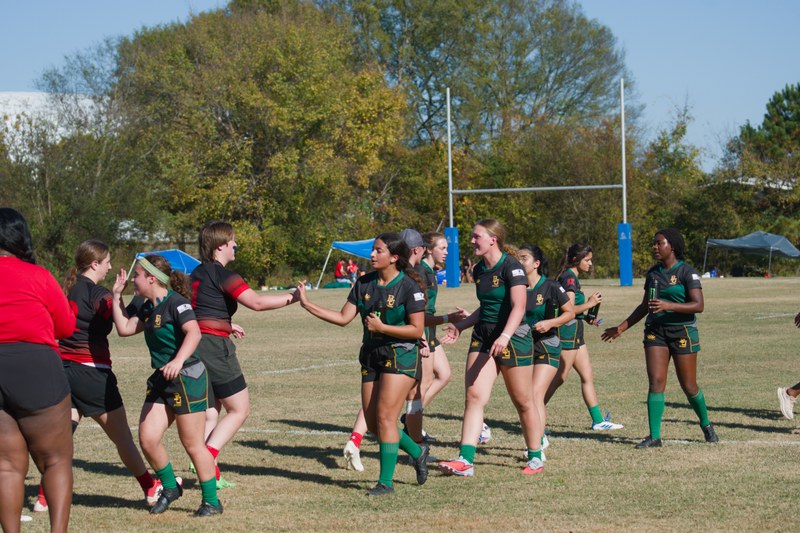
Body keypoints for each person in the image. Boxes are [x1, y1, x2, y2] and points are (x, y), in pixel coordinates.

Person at [295, 232, 429, 496]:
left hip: (400, 354)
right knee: (375, 422)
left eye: (378, 251)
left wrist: (383, 327)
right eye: (373, 250)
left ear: (394, 257)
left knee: (386, 417)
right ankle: (418, 451)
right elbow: (344, 318)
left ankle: (385, 483)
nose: (372, 255)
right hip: (371, 354)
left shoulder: (409, 287)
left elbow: (416, 331)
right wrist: (308, 304)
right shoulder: (364, 283)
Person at [33, 240, 162, 514]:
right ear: (94, 264)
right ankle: (150, 487)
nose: (110, 267)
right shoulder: (98, 293)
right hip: (92, 374)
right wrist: (146, 303)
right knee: (123, 439)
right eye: (107, 262)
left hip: (62, 371)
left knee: (61, 439)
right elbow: (124, 323)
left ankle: (43, 497)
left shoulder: (66, 287)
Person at [111, 255, 222, 516]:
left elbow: (194, 332)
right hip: (162, 380)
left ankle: (211, 501)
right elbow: (125, 328)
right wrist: (116, 297)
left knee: (193, 444)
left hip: (187, 378)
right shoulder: (147, 306)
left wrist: (178, 360)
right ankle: (171, 488)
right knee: (147, 439)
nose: (133, 280)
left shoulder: (177, 303)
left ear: (152, 278)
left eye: (136, 275)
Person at [191, 221, 298, 487]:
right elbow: (257, 303)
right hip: (214, 348)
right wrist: (293, 297)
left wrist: (226, 324)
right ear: (221, 246)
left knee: (211, 411)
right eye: (232, 241)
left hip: (192, 346)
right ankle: (207, 456)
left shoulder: (194, 274)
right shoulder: (224, 274)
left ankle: (211, 475)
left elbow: (201, 310)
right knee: (239, 409)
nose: (235, 245)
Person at [438, 219, 543, 476]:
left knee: (523, 401)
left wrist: (505, 336)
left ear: (493, 239)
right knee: (473, 396)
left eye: (477, 237)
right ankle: (466, 460)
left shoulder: (512, 267)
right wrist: (461, 325)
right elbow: (486, 308)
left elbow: (519, 306)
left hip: (513, 336)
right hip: (483, 336)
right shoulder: (479, 270)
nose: (472, 241)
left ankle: (536, 457)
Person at [602, 228, 718, 448]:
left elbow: (698, 305)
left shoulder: (686, 272)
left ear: (671, 246)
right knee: (656, 382)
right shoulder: (653, 273)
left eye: (659, 243)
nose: (655, 247)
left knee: (689, 386)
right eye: (653, 243)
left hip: (682, 331)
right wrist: (621, 328)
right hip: (656, 332)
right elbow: (645, 305)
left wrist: (669, 305)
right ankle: (655, 436)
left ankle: (706, 425)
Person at [0, 208, 76, 533]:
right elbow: (67, 326)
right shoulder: (38, 275)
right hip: (36, 367)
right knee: (56, 461)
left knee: (6, 467)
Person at [544, 243, 623, 431]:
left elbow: (574, 310)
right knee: (559, 378)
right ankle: (533, 415)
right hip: (567, 333)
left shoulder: (572, 277)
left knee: (587, 376)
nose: (591, 263)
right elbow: (569, 309)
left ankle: (598, 421)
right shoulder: (569, 279)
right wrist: (589, 304)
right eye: (587, 260)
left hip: (576, 334)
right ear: (576, 260)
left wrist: (588, 318)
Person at [518, 244, 575, 458]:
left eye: (524, 258)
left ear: (536, 264)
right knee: (525, 397)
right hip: (523, 347)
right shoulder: (517, 287)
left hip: (547, 346)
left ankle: (537, 445)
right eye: (518, 258)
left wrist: (550, 322)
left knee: (535, 395)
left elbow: (569, 312)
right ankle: (539, 437)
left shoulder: (550, 286)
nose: (520, 261)